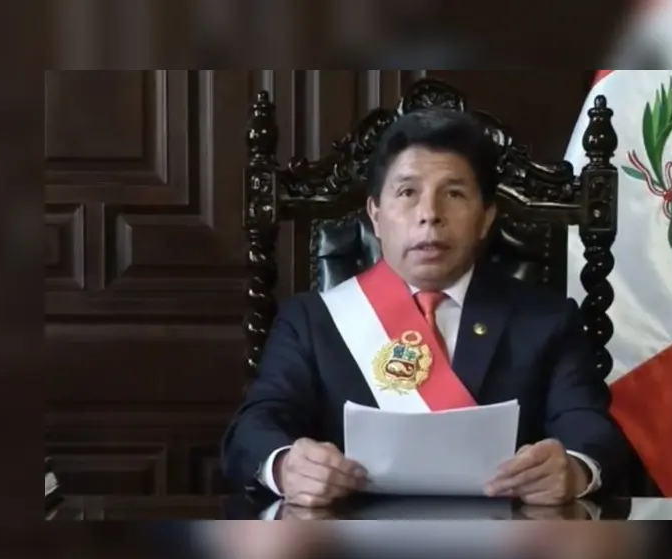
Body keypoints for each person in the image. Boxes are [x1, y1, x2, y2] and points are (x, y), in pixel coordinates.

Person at [221, 107, 632, 507]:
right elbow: (254, 428)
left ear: (486, 218)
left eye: (453, 194)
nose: (429, 216)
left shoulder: (547, 320)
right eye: (407, 192)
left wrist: (575, 469)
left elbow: (591, 428)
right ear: (375, 216)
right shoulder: (310, 322)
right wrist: (286, 465)